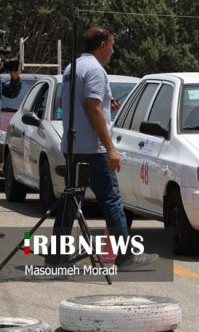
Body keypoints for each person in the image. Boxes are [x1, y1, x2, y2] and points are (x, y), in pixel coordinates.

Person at [50, 26, 157, 271]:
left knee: (71, 199)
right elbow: (92, 107)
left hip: (72, 145)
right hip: (93, 148)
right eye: (112, 44)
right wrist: (110, 148)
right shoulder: (96, 70)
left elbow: (82, 104)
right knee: (111, 200)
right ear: (101, 45)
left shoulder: (72, 68)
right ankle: (125, 256)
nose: (113, 49)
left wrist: (108, 106)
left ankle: (56, 255)